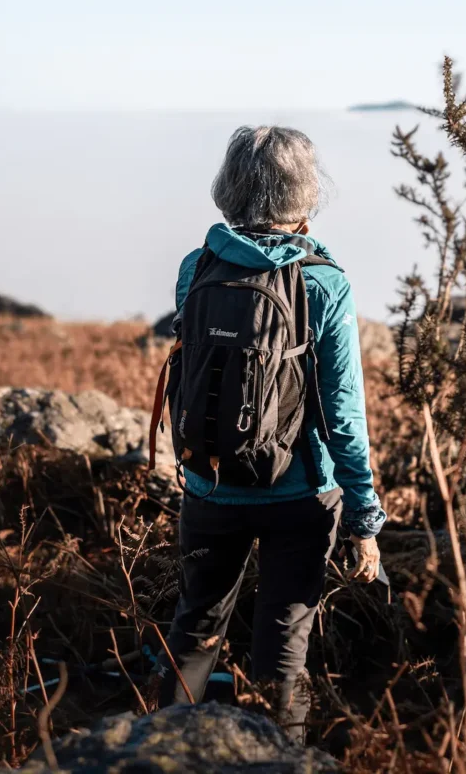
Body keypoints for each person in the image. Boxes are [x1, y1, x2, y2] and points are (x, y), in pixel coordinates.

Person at [156, 125, 386, 740]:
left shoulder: (195, 267)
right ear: (306, 192)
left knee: (194, 630)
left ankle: (158, 750)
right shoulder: (324, 282)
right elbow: (343, 413)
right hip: (301, 496)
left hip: (210, 482)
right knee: (283, 647)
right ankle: (283, 756)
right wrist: (365, 520)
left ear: (227, 188)